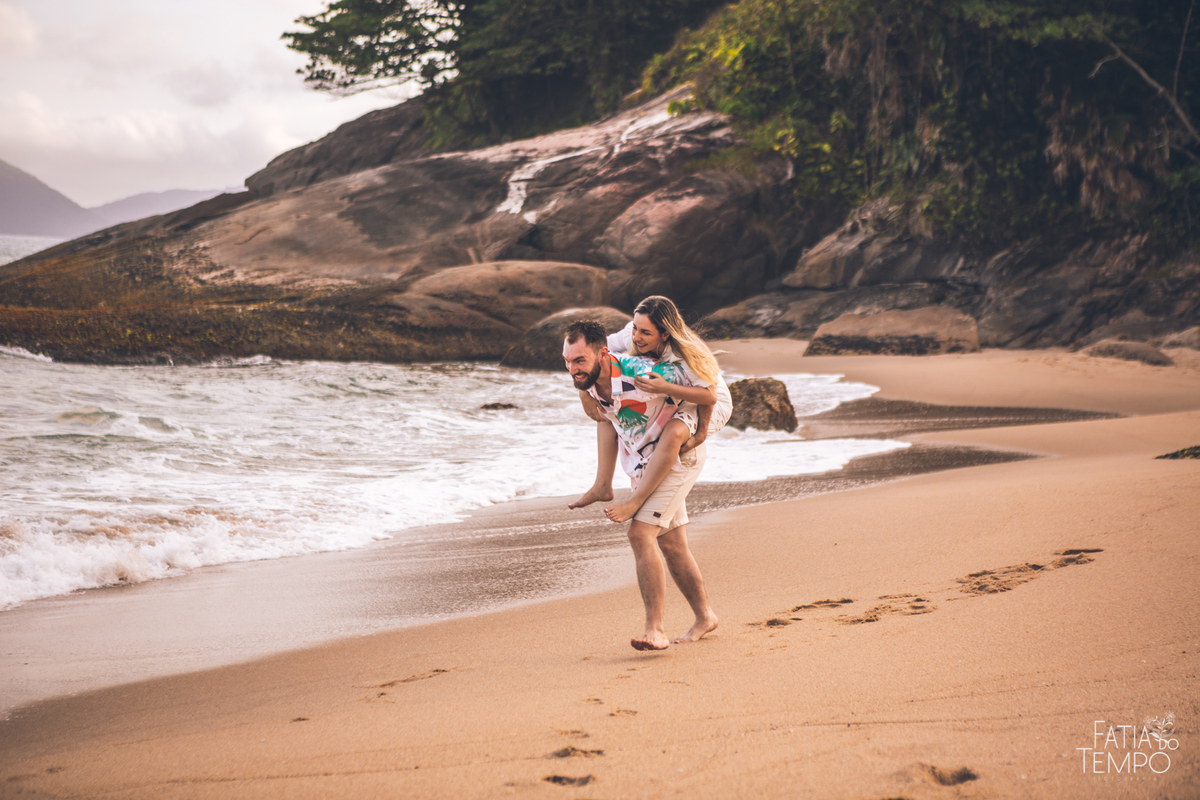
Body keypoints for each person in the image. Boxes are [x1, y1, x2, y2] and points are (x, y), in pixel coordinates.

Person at [562, 319, 719, 650]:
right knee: (673, 545)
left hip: (678, 457)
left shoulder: (639, 371)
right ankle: (705, 617)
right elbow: (604, 419)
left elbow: (706, 390)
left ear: (603, 354)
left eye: (579, 361)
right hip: (647, 464)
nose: (573, 369)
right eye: (567, 361)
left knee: (639, 533)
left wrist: (700, 431)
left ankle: (655, 629)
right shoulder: (589, 381)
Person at [569, 296, 733, 524]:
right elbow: (589, 353)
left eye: (645, 333)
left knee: (675, 431)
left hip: (707, 399)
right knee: (608, 406)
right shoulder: (633, 334)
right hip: (670, 388)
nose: (637, 337)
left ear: (664, 334)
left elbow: (709, 396)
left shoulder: (685, 354)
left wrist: (701, 434)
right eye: (635, 329)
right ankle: (602, 484)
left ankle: (640, 499)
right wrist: (584, 392)